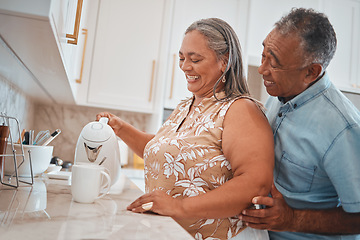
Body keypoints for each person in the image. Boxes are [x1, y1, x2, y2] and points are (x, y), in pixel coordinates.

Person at [97, 18, 274, 240]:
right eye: (181, 58)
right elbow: (167, 156)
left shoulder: (240, 109)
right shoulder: (186, 106)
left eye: (195, 59)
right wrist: (121, 128)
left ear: (224, 61)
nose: (184, 66)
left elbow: (255, 184)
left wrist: (180, 207)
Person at [239, 8, 360, 240]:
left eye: (273, 63)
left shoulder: (344, 130)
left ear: (311, 72)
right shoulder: (280, 91)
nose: (263, 69)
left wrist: (293, 219)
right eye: (263, 54)